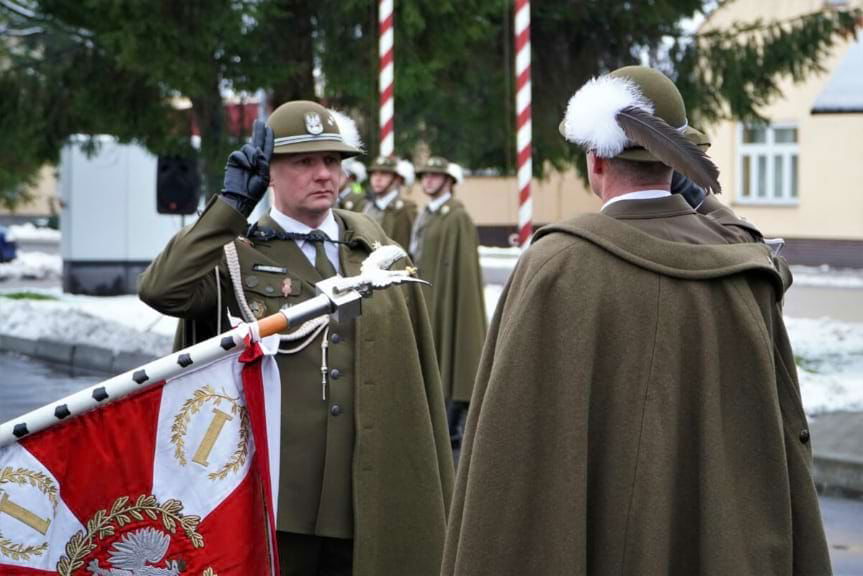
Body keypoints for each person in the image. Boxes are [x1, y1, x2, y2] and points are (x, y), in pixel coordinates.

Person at [442, 66, 830, 576]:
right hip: (718, 546)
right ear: (678, 162)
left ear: (596, 159)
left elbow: (513, 450)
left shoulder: (557, 266)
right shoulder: (744, 269)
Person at [139, 100, 453, 576]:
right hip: (275, 500)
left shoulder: (377, 250)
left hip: (369, 492)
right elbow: (162, 289)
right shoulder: (237, 255)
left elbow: (415, 374)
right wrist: (229, 208)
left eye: (331, 160)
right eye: (304, 162)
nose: (323, 173)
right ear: (269, 172)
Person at [409, 157, 487, 448]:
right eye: (425, 175)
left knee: (451, 349)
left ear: (449, 181)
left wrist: (448, 297)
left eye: (435, 175)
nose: (428, 180)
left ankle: (452, 420)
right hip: (429, 293)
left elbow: (462, 269)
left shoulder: (456, 216)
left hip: (446, 295)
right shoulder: (428, 215)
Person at [363, 155, 418, 249]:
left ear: (396, 179)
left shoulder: (406, 209)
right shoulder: (367, 206)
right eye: (374, 174)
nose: (377, 179)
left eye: (384, 174)